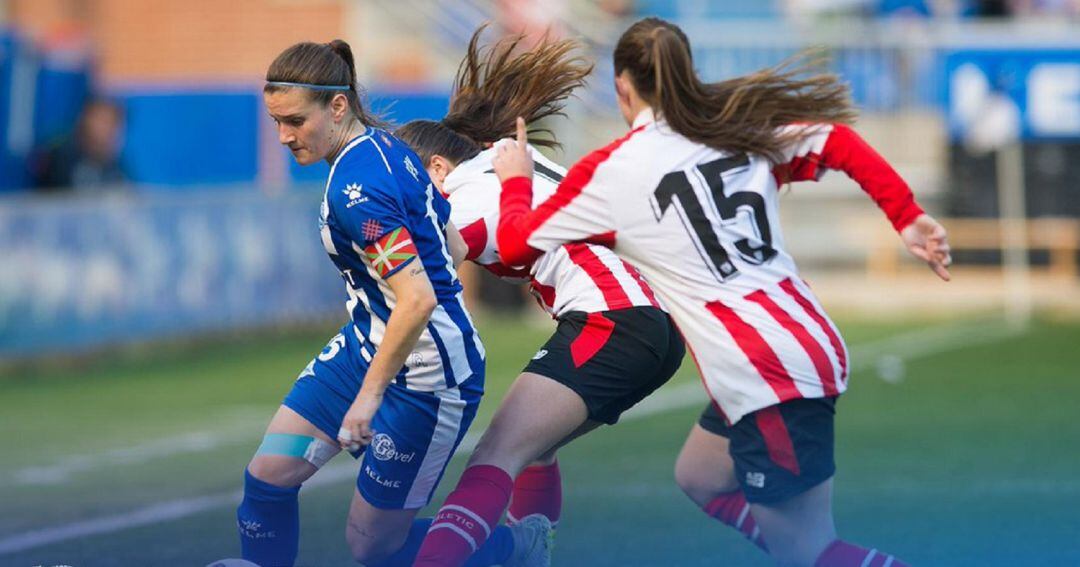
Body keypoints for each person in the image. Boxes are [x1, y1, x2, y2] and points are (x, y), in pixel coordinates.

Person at [490, 17, 952, 567]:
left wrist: (516, 179)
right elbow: (838, 141)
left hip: (767, 372)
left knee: (812, 551)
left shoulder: (613, 171)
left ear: (622, 88)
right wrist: (907, 217)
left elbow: (516, 246)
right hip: (801, 341)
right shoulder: (735, 129)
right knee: (701, 475)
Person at [237, 40, 548, 567]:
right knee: (266, 479)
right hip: (367, 346)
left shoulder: (358, 187)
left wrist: (368, 399)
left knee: (373, 546)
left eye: (294, 120)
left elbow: (418, 297)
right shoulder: (384, 148)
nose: (285, 136)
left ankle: (511, 549)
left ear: (337, 106)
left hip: (428, 376)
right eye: (276, 122)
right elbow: (436, 235)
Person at [398, 28, 685, 567]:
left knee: (494, 456)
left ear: (438, 168)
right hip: (650, 327)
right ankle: (532, 553)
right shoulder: (502, 161)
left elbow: (478, 245)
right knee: (534, 449)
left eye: (410, 184)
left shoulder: (469, 190)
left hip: (611, 322)